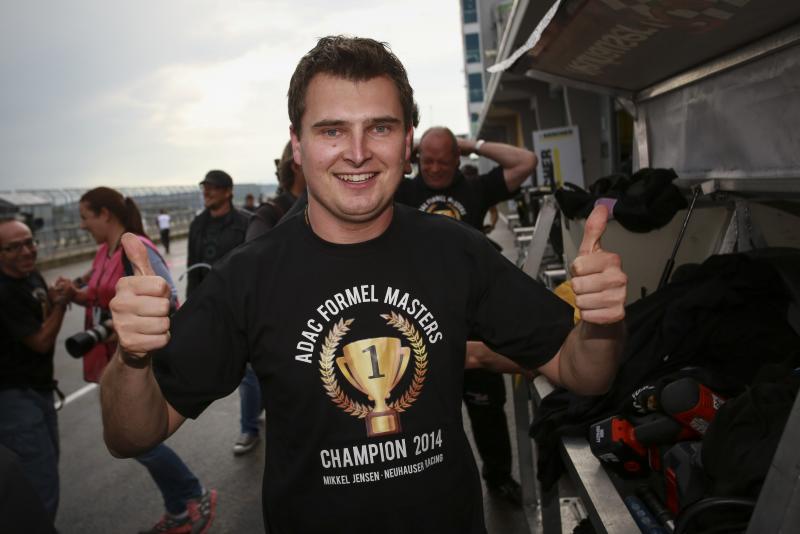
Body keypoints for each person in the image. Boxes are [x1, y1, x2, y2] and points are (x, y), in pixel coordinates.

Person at [101, 36, 626, 534]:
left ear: (407, 141)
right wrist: (131, 358)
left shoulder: (457, 251)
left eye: (380, 127)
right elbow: (133, 435)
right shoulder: (247, 276)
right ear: (298, 145)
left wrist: (602, 323)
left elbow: (584, 373)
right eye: (331, 130)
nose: (356, 152)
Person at [394, 127, 537, 503]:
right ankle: (432, 488)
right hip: (419, 322)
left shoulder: (474, 188)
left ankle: (499, 478)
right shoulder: (402, 190)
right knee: (424, 416)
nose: (434, 169)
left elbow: (526, 162)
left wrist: (472, 144)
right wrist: (408, 147)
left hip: (474, 320)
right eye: (426, 160)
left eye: (443, 161)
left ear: (458, 159)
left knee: (487, 409)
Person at [62, 188, 216, 534]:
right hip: (112, 362)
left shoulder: (137, 250)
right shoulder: (103, 252)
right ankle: (178, 507)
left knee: (141, 441)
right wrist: (76, 294)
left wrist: (135, 324)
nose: (82, 225)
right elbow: (99, 293)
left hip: (140, 362)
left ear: (105, 214)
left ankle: (192, 494)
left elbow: (168, 296)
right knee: (131, 439)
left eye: (85, 217)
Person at [229, 142, 309, 457]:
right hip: (288, 332)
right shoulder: (270, 212)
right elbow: (255, 268)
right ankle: (250, 427)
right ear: (297, 164)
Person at [0, 218, 72, 523]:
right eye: (14, 247)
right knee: (40, 483)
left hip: (38, 389)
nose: (27, 251)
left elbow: (42, 312)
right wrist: (61, 305)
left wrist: (55, 298)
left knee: (46, 468)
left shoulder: (30, 276)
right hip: (15, 396)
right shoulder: (5, 292)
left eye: (29, 242)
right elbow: (41, 341)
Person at [186, 170, 250, 297]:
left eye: (212, 188)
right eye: (205, 188)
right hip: (204, 300)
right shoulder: (197, 224)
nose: (206, 193)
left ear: (227, 192)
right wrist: (191, 301)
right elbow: (192, 269)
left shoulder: (245, 224)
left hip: (234, 299)